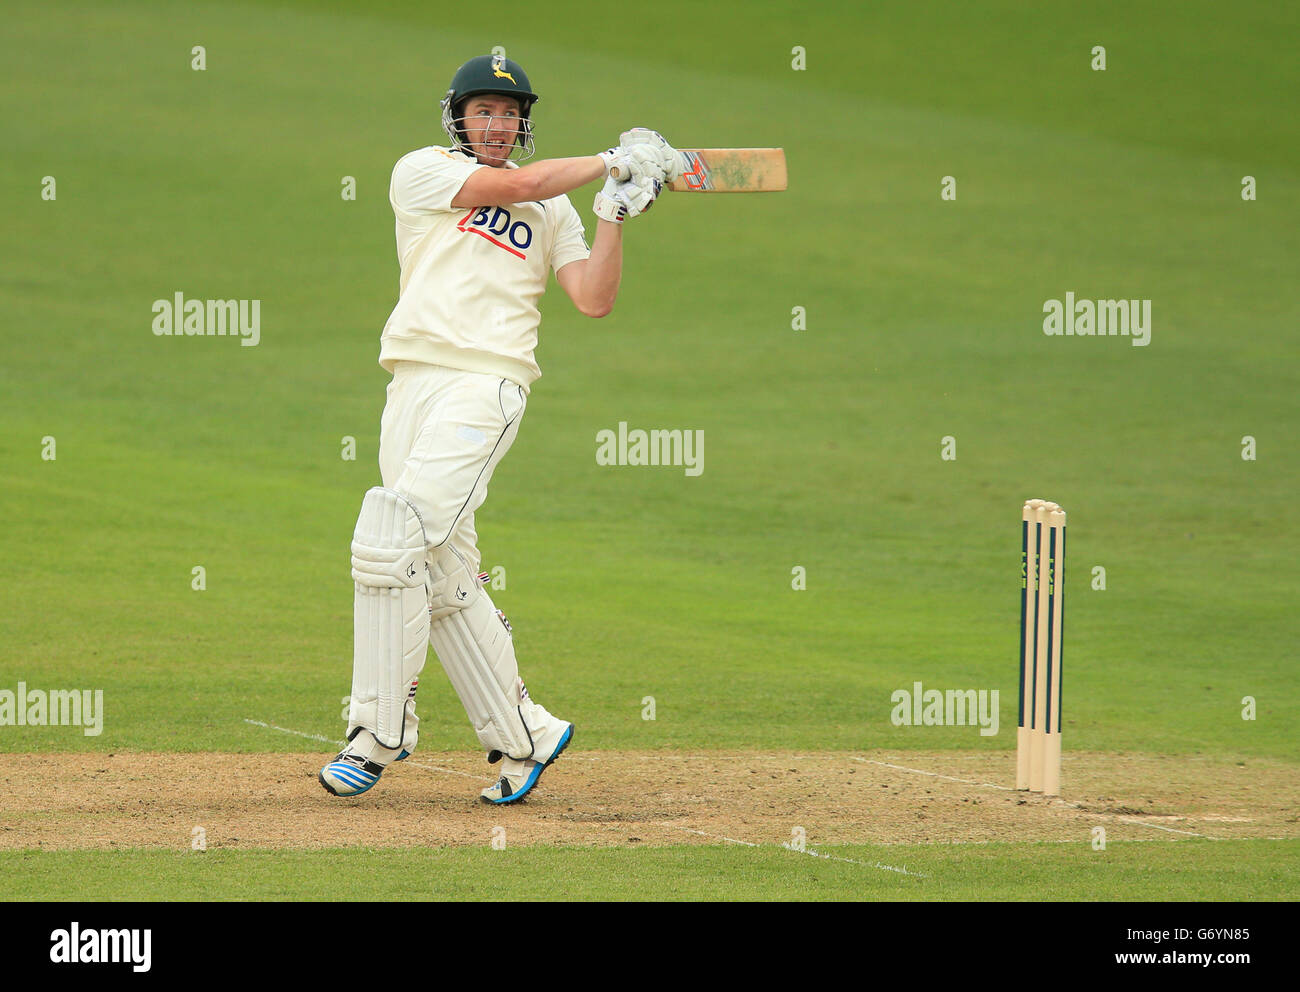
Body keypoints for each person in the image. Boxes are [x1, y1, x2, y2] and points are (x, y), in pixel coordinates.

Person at [318, 54, 678, 804]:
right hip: (411, 383)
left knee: (391, 536)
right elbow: (519, 185)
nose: (497, 124)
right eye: (483, 111)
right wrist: (612, 161)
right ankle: (527, 735)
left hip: (486, 386)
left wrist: (614, 210)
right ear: (456, 117)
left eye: (509, 113)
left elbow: (592, 298)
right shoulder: (421, 171)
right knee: (442, 572)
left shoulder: (556, 210)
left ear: (524, 122)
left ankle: (376, 732)